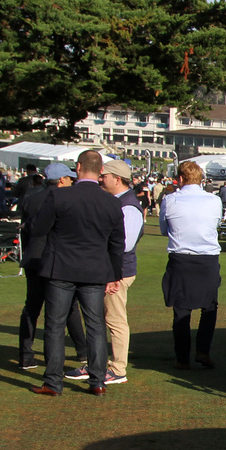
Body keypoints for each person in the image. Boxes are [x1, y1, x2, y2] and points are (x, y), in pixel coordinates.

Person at [29, 150, 123, 396]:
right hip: (94, 269)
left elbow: (39, 228)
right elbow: (117, 243)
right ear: (101, 171)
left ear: (78, 167)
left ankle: (53, 382)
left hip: (61, 267)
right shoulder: (112, 201)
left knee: (55, 325)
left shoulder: (60, 196)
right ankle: (98, 380)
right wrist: (115, 274)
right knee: (95, 325)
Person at [16, 163, 87, 370]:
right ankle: (81, 350)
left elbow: (27, 230)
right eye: (69, 178)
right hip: (56, 258)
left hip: (34, 257)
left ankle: (25, 355)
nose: (72, 181)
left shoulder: (31, 198)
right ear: (61, 180)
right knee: (67, 308)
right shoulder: (65, 199)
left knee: (32, 307)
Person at [78, 160, 143, 384]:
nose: (99, 179)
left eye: (104, 176)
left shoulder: (128, 207)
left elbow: (123, 244)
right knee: (99, 318)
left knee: (115, 320)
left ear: (117, 179)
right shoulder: (118, 203)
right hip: (108, 269)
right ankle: (97, 364)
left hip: (118, 271)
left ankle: (117, 368)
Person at [157, 160, 222, 369]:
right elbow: (216, 224)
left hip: (181, 259)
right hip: (207, 259)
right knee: (209, 307)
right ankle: (203, 351)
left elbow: (163, 229)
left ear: (180, 179)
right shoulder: (214, 200)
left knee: (182, 310)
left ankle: (182, 357)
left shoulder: (170, 200)